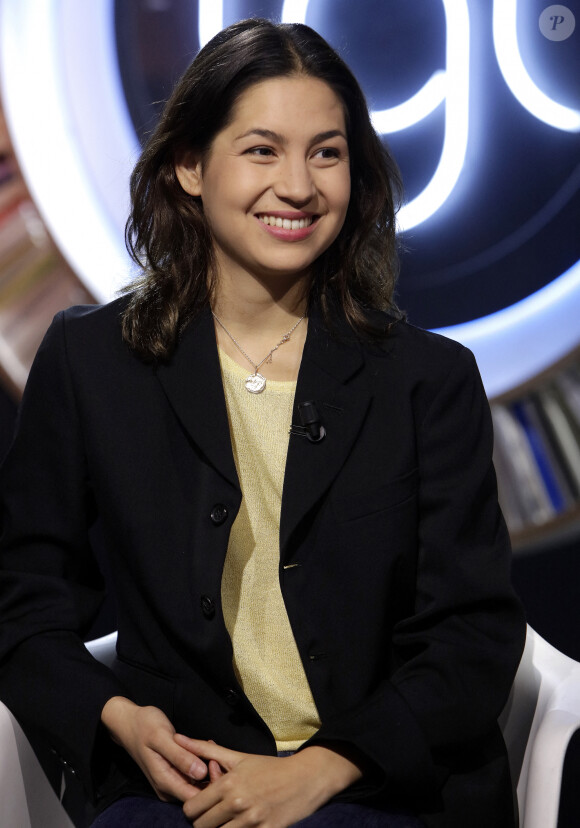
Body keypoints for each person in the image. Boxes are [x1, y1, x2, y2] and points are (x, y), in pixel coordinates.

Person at [0, 17, 525, 828]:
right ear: (188, 165)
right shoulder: (91, 362)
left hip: (377, 792)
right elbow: (23, 602)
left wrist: (321, 770)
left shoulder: (428, 380)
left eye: (327, 151)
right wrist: (118, 720)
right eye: (261, 150)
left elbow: (472, 637)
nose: (299, 186)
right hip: (179, 793)